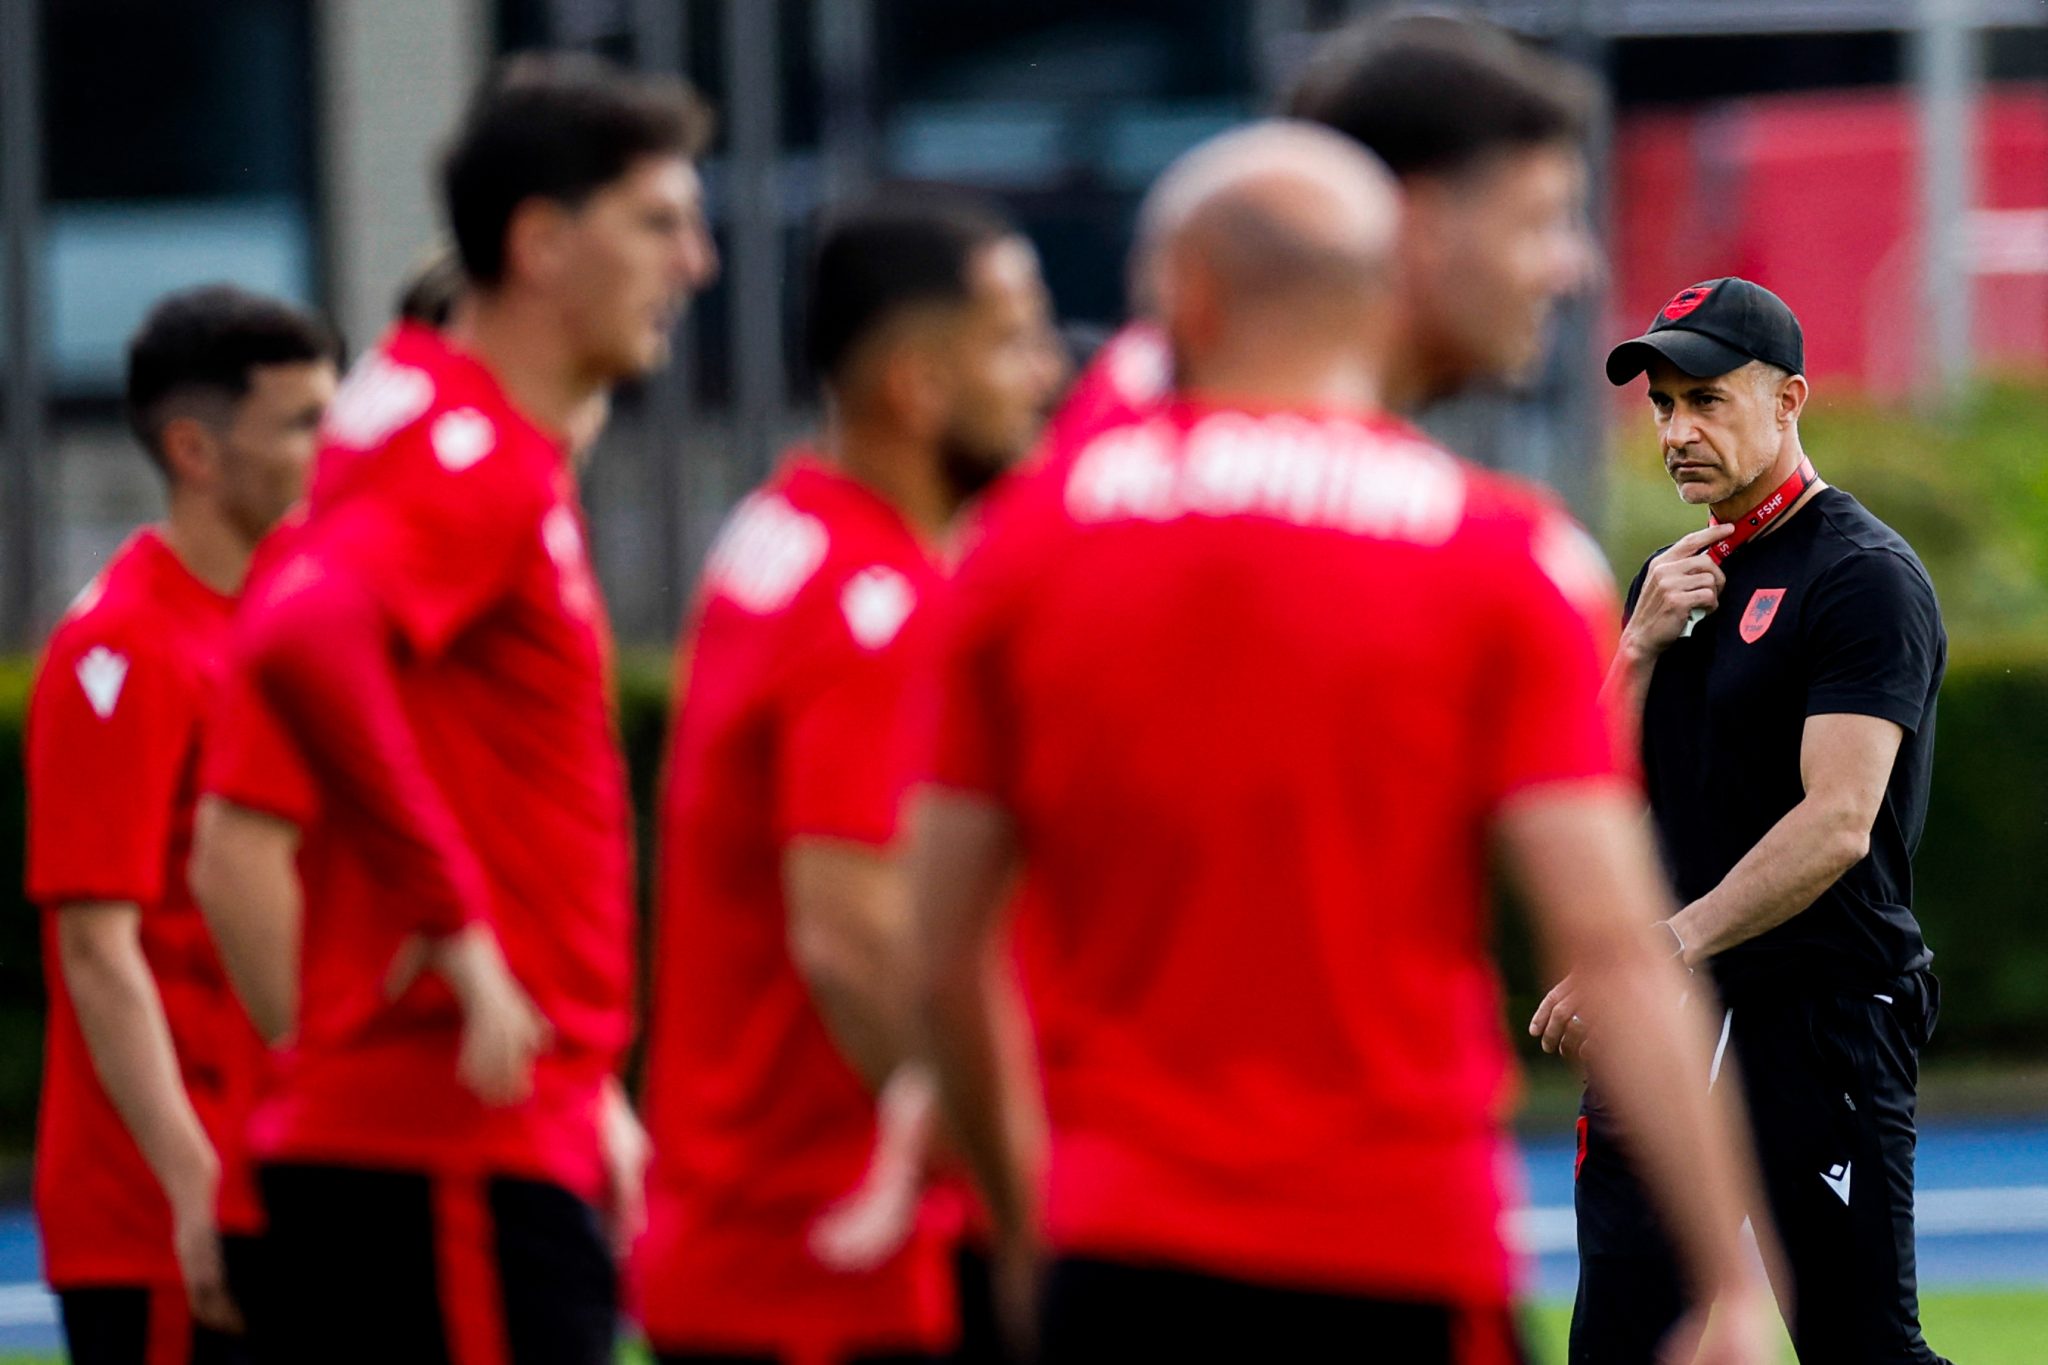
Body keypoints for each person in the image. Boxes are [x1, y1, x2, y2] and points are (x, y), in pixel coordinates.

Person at [911, 120, 1777, 1365]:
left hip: (1113, 1247)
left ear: (1187, 298)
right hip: (1392, 1247)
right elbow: (1611, 948)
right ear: (1385, 292)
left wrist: (1019, 1224)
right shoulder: (1497, 553)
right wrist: (1724, 1285)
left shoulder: (1021, 549)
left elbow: (941, 958)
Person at [186, 54, 717, 1365]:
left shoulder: (443, 439)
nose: (695, 262)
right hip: (443, 1139)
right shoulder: (461, 450)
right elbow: (298, 647)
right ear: (540, 243)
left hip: (472, 1129)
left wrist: (583, 1092)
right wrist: (459, 927)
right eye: (657, 222)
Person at [634, 188, 1063, 1365]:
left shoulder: (780, 536)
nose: (1040, 373)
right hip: (835, 1269)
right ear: (916, 385)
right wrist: (1015, 1191)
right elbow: (855, 937)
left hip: (755, 1241)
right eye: (1012, 337)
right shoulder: (871, 607)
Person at [1543, 277, 1950, 1364]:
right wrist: (1631, 646)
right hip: (1668, 1025)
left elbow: (1836, 824)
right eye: (1662, 404)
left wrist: (1660, 944)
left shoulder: (1859, 577)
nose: (1677, 430)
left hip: (1816, 1016)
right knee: (1617, 1345)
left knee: (1859, 1348)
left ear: (1787, 401)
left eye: (1707, 400)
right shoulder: (1668, 581)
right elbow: (1583, 791)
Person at [24, 285, 337, 1365]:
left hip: (283, 1181)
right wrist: (191, 1180)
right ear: (195, 451)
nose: (326, 454)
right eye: (300, 426)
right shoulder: (122, 652)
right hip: (163, 1226)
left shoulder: (288, 623)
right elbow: (95, 946)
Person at [1049, 8, 1601, 437]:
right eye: (1539, 225)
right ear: (1417, 226)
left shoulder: (1111, 427)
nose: (1575, 270)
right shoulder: (1463, 547)